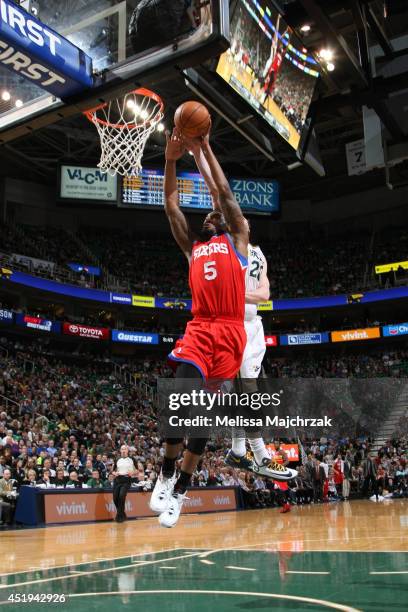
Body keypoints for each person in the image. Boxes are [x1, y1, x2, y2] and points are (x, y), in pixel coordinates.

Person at [149, 127, 249, 528]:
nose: (212, 214)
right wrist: (171, 160)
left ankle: (180, 492)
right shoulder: (193, 248)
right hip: (200, 328)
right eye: (209, 213)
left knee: (202, 423)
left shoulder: (239, 240)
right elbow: (172, 206)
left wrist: (205, 147)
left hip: (229, 334)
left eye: (217, 214)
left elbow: (224, 193)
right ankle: (166, 472)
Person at [112, 445, 137, 523]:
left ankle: (119, 516)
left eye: (125, 449)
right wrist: (114, 473)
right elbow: (112, 471)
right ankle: (122, 514)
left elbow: (137, 470)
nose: (123, 450)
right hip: (117, 479)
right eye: (122, 449)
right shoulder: (117, 459)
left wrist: (132, 472)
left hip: (126, 479)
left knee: (122, 496)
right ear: (120, 450)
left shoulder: (132, 459)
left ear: (127, 451)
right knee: (115, 498)